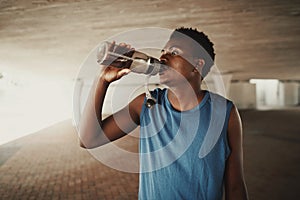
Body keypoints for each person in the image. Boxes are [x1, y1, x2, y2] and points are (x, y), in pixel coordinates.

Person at [79, 27, 248, 199]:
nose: (163, 57)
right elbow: (88, 139)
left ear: (197, 65)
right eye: (163, 51)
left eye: (174, 52)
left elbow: (235, 187)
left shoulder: (225, 112)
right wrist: (102, 80)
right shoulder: (145, 104)